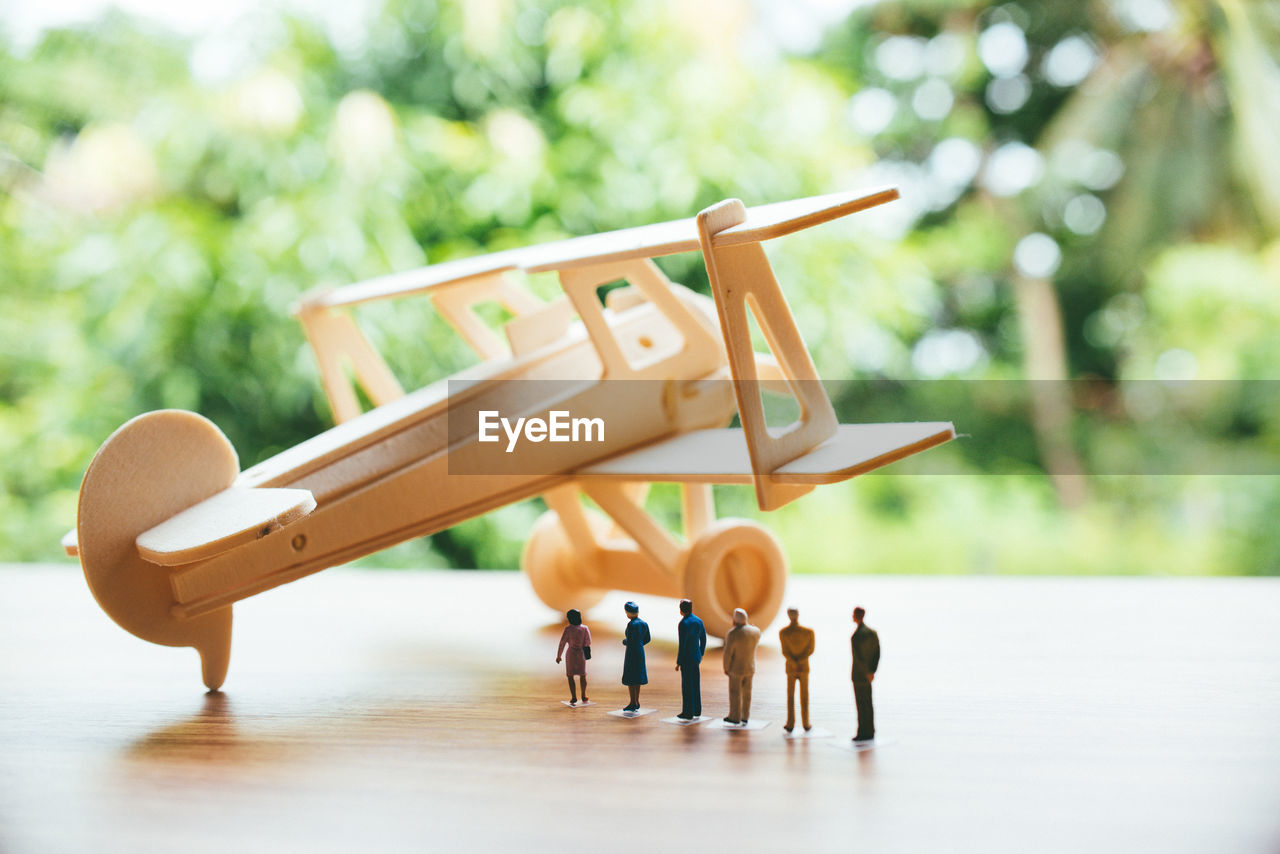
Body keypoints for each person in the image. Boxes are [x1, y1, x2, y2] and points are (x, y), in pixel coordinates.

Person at [778, 607, 815, 733]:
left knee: (790, 696)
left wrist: (794, 662)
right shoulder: (808, 632)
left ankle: (790, 723)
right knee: (804, 696)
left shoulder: (783, 632)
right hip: (803, 667)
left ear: (788, 615)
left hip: (791, 668)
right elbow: (810, 650)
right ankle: (806, 723)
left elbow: (785, 651)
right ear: (798, 615)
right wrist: (801, 661)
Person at [722, 608, 760, 725]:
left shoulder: (733, 634)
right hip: (750, 667)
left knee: (735, 693)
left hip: (736, 669)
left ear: (734, 620)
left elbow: (727, 654)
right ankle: (745, 715)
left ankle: (735, 716)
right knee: (747, 693)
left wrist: (726, 667)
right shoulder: (755, 631)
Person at [850, 606, 881, 742]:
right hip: (868, 674)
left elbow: (859, 658)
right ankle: (870, 730)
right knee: (868, 703)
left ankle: (863, 731)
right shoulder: (872, 633)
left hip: (859, 675)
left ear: (856, 616)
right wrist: (872, 671)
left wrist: (865, 672)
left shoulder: (857, 636)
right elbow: (877, 653)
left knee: (861, 705)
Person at [675, 599, 707, 720]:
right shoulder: (698, 621)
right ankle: (697, 710)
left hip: (686, 658)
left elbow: (682, 644)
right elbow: (703, 639)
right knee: (695, 683)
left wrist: (678, 662)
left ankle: (688, 712)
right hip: (696, 657)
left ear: (681, 609)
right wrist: (701, 652)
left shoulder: (683, 624)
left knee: (687, 685)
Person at [555, 609, 591, 705]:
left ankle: (574, 697)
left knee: (571, 676)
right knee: (582, 675)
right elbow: (588, 642)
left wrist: (559, 656)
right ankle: (583, 695)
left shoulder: (568, 629)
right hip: (581, 653)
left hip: (571, 654)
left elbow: (562, 643)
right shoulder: (584, 628)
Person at [620, 601, 650, 711]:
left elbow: (630, 640)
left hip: (631, 653)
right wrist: (640, 644)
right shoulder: (643, 623)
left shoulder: (632, 624)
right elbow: (647, 639)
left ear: (628, 613)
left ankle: (632, 702)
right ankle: (636, 701)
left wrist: (625, 641)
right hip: (640, 652)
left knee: (631, 677)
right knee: (638, 677)